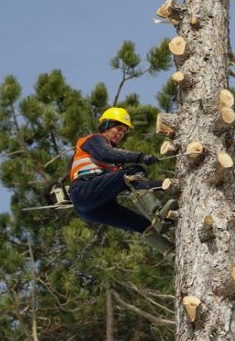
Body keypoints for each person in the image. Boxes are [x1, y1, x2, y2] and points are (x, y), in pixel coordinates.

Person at [69, 107, 173, 253]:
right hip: (84, 188)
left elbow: (136, 183)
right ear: (106, 125)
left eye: (124, 131)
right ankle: (156, 215)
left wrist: (166, 184)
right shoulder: (94, 140)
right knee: (135, 170)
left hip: (93, 207)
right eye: (118, 129)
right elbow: (106, 153)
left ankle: (173, 253)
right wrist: (140, 157)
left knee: (139, 223)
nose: (121, 134)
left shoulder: (115, 167)